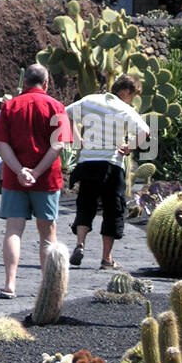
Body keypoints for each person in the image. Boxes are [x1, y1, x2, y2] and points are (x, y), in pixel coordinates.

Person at [0, 64, 72, 299]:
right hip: (46, 179)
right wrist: (36, 172)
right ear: (46, 84)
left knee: (13, 230)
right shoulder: (57, 107)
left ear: (24, 82)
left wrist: (19, 171)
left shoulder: (9, 106)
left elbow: (0, 142)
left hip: (14, 180)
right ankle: (48, 286)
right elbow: (58, 145)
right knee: (47, 234)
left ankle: (9, 284)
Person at [67, 74, 152, 269]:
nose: (132, 100)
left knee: (85, 204)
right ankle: (107, 258)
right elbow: (145, 131)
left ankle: (80, 244)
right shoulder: (125, 109)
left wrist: (78, 139)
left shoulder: (90, 100)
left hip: (88, 162)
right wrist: (129, 147)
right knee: (113, 209)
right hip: (111, 165)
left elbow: (65, 113)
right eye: (133, 95)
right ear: (125, 92)